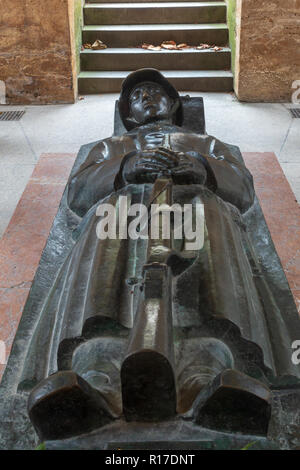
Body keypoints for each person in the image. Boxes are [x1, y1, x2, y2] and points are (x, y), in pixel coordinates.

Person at [25, 69, 300, 441]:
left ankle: (208, 377)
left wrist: (203, 169)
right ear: (129, 115)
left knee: (208, 275)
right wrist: (125, 168)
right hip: (119, 221)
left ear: (173, 104)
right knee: (104, 279)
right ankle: (95, 377)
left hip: (198, 214)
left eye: (156, 92)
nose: (147, 98)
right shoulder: (107, 147)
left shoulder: (208, 142)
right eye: (137, 97)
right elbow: (77, 193)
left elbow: (244, 191)